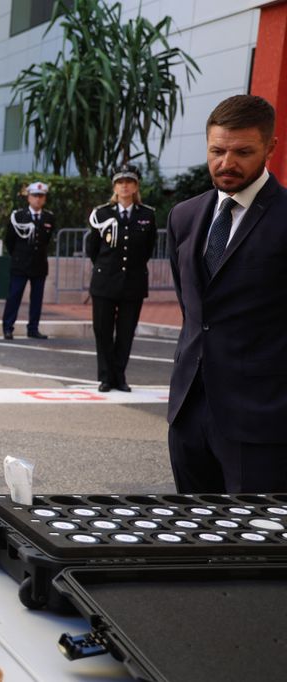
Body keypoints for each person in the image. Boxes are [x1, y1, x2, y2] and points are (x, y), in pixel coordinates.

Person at [167, 94, 287, 493]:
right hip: (188, 413)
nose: (226, 163)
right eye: (217, 150)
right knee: (192, 536)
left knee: (255, 546)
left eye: (242, 152)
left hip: (263, 420)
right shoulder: (184, 216)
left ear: (270, 148)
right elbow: (195, 312)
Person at [86, 164, 157, 393]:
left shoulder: (147, 214)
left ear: (136, 186)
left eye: (129, 181)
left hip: (133, 282)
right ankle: (106, 377)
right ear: (114, 187)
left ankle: (120, 376)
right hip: (105, 280)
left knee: (126, 332)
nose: (124, 185)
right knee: (103, 330)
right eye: (120, 182)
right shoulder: (101, 213)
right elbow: (92, 249)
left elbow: (148, 249)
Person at [1, 182, 54, 340]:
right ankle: (8, 327)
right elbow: (9, 240)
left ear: (44, 199)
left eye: (41, 196)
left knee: (36, 299)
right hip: (20, 264)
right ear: (29, 197)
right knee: (14, 297)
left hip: (39, 264)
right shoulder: (18, 216)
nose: (38, 199)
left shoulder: (49, 217)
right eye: (35, 196)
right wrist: (17, 255)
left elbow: (47, 240)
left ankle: (33, 328)